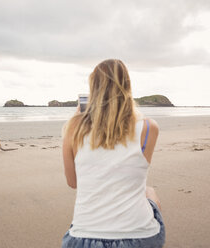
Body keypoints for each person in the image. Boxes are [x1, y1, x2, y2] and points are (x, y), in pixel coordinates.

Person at [61, 59, 165, 248]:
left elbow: (73, 182)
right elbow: (134, 176)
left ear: (93, 90)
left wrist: (77, 118)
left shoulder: (74, 128)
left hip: (83, 238)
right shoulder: (149, 128)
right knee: (149, 191)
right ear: (126, 87)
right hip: (140, 237)